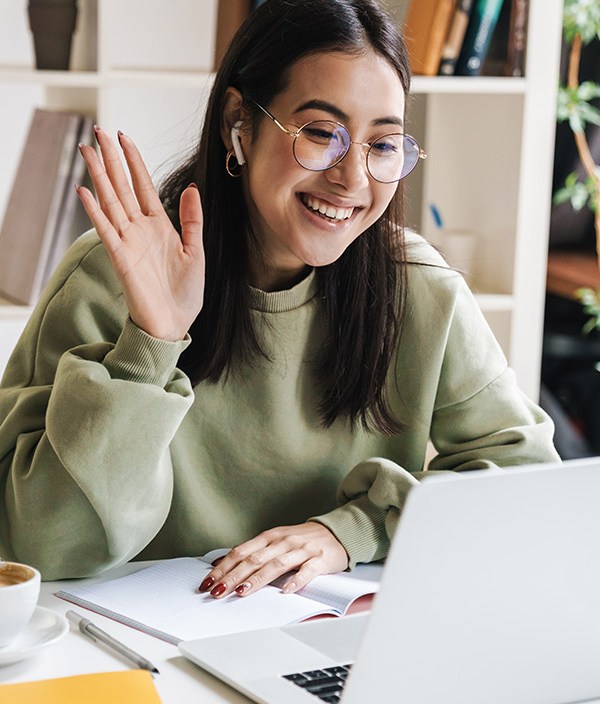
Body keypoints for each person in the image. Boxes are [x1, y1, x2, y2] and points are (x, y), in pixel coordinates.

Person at [0, 0, 558, 592]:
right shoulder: (111, 274)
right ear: (239, 123)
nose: (354, 180)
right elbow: (41, 545)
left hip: (330, 632)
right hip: (144, 646)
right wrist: (150, 344)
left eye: (383, 145)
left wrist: (357, 529)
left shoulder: (419, 289)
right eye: (321, 134)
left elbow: (527, 487)